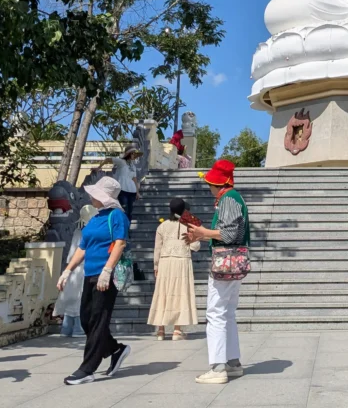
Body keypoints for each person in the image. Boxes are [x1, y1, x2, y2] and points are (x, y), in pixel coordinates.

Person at [57, 177, 131, 386]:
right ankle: (116, 349)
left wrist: (107, 270)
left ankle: (87, 368)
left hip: (105, 275)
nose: (91, 196)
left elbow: (119, 243)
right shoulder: (96, 217)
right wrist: (67, 271)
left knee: (98, 320)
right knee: (86, 319)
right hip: (89, 274)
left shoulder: (117, 216)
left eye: (96, 194)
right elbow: (83, 247)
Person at [184, 159, 249, 385]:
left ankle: (218, 367)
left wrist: (203, 232)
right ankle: (232, 363)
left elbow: (229, 234)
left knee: (216, 313)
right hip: (234, 261)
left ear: (218, 183)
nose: (209, 188)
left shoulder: (228, 199)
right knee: (227, 312)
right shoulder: (232, 198)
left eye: (211, 184)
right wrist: (202, 234)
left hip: (225, 261)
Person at [148, 198, 200, 340]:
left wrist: (156, 266)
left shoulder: (162, 226)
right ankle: (177, 330)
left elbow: (157, 248)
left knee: (162, 293)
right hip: (182, 261)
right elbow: (195, 246)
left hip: (165, 262)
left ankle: (160, 330)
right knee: (180, 293)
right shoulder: (189, 226)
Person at [54, 204, 98, 338]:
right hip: (84, 269)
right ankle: (78, 328)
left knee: (70, 299)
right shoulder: (90, 234)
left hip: (73, 269)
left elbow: (71, 255)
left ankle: (66, 328)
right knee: (80, 299)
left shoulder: (78, 232)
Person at [103, 147, 141, 220]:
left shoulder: (133, 166)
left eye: (135, 154)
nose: (134, 156)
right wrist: (98, 168)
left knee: (130, 211)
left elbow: (134, 179)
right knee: (124, 209)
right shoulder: (121, 162)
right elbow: (108, 159)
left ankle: (127, 226)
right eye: (133, 154)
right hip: (122, 190)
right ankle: (122, 226)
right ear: (129, 154)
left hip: (132, 191)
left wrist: (137, 192)